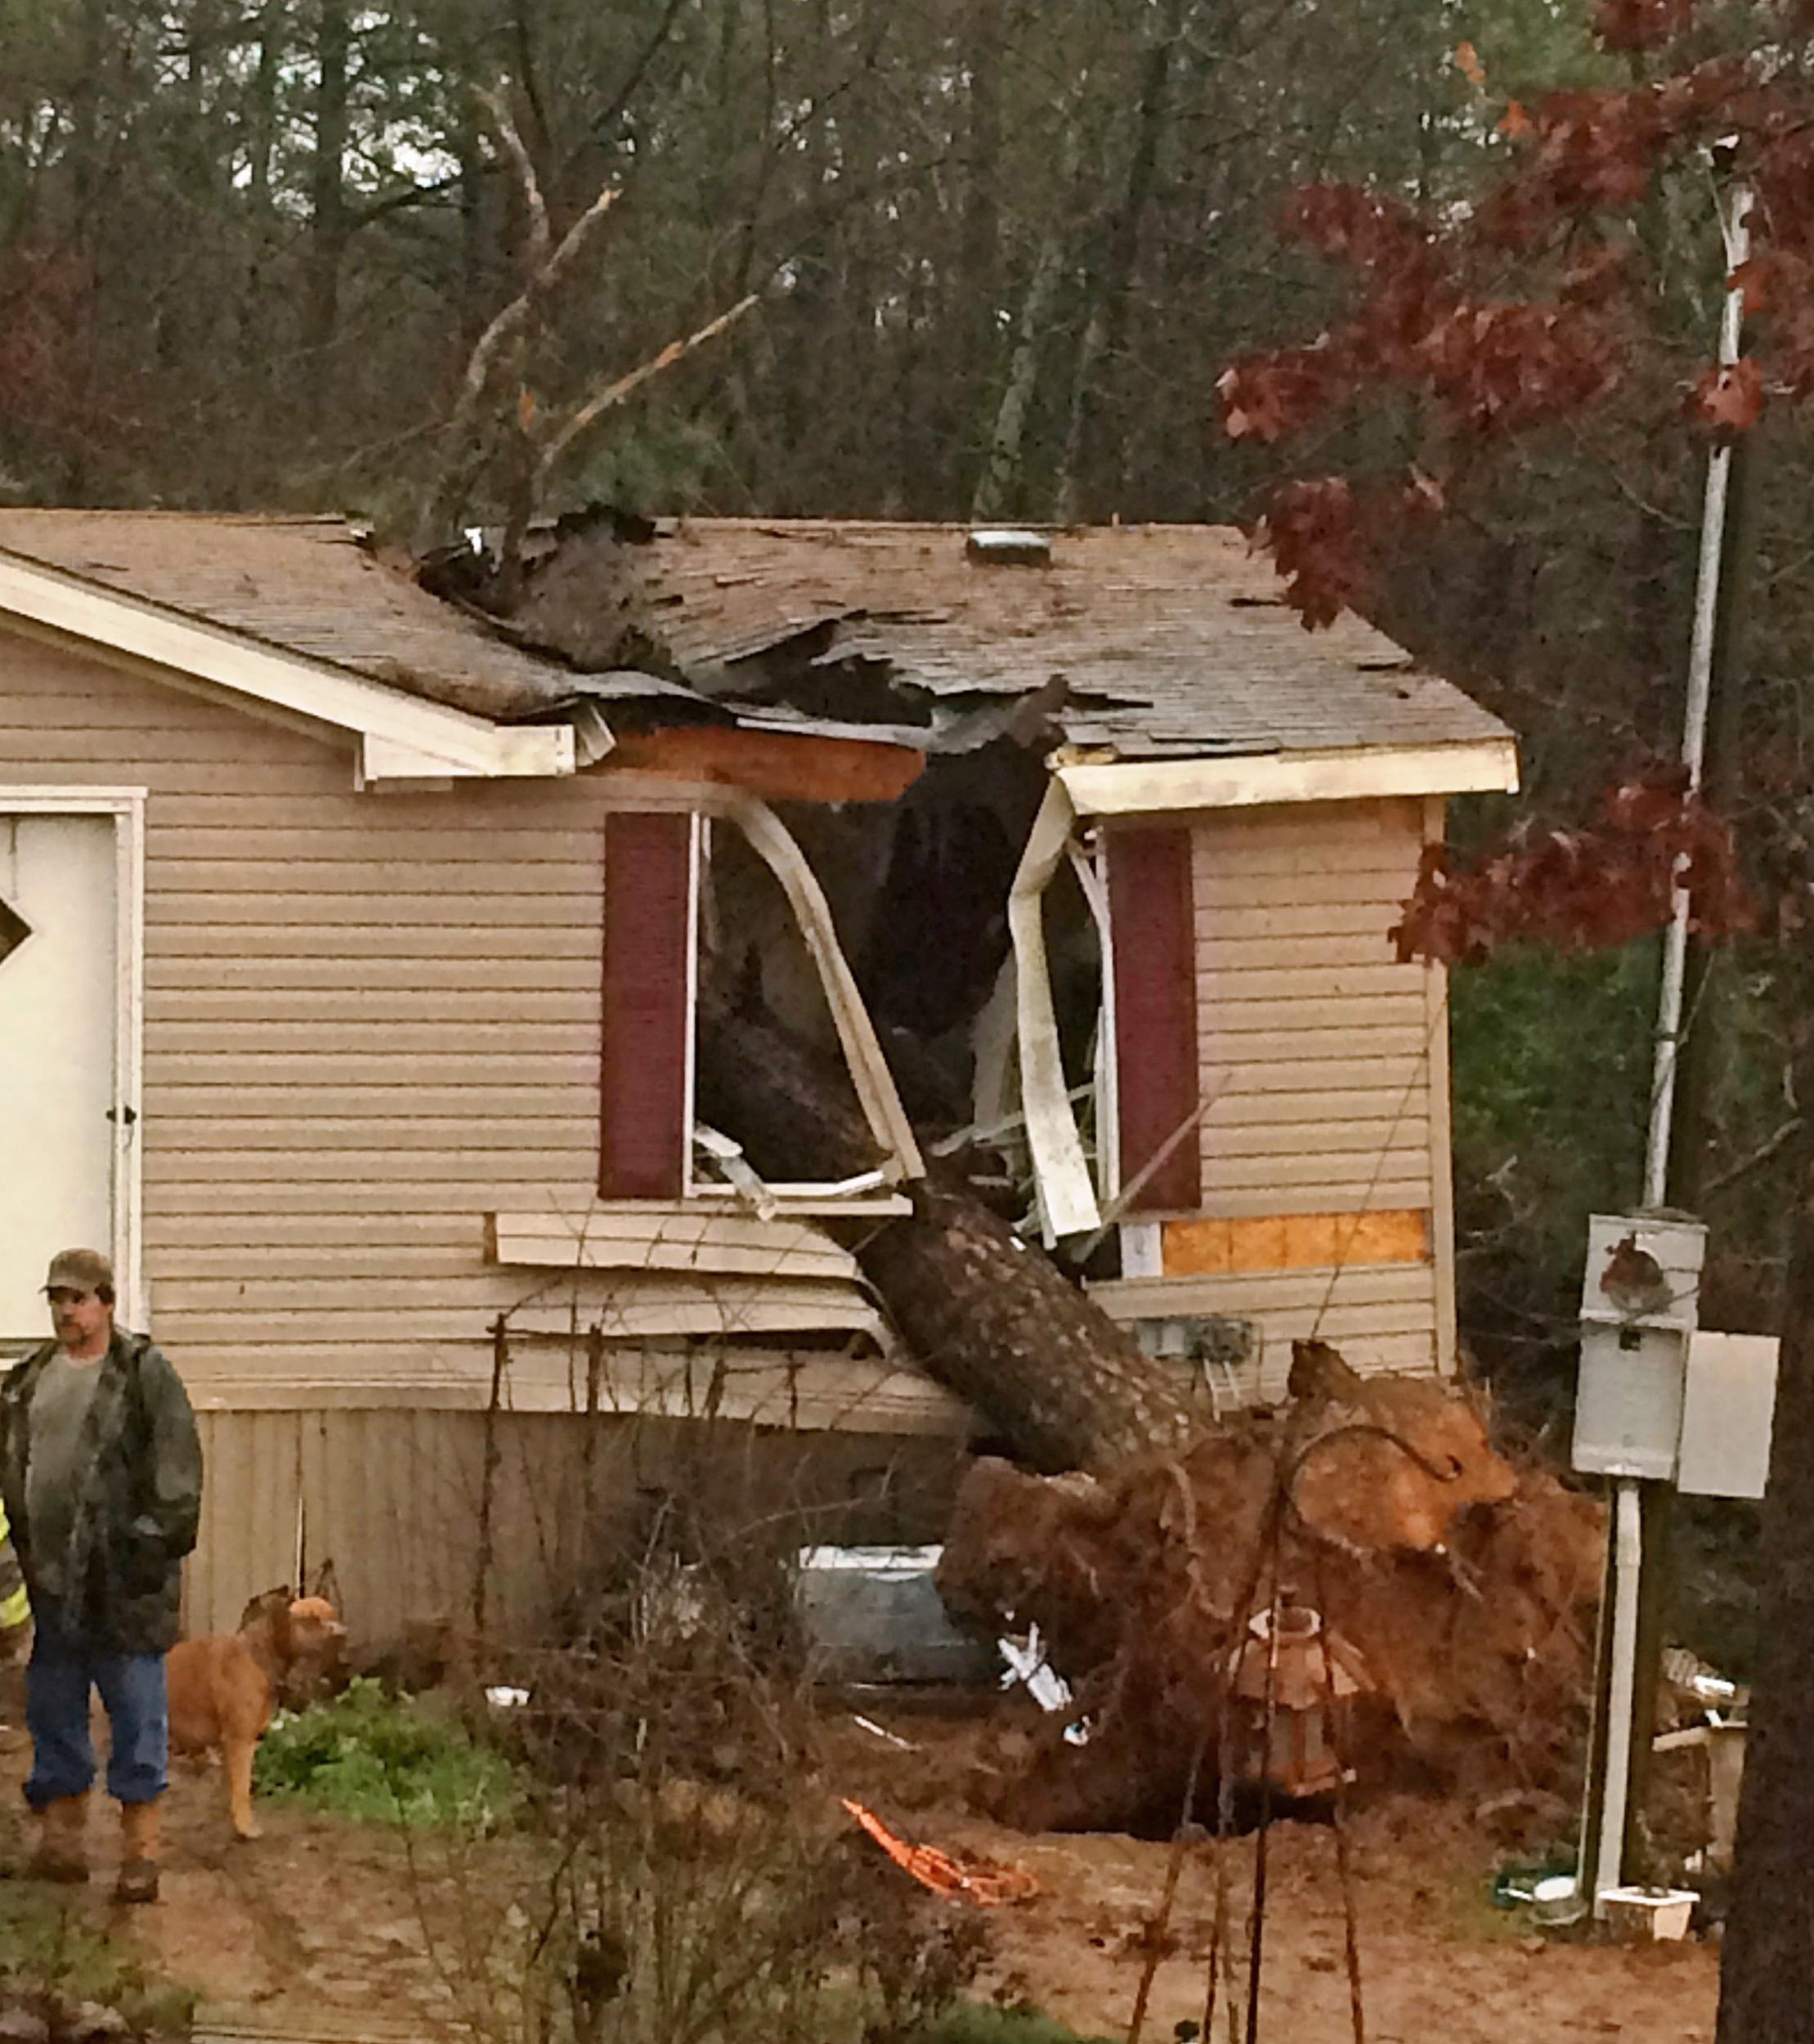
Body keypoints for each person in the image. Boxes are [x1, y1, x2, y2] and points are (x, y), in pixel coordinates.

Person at [0, 1249, 202, 1903]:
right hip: (51, 1584)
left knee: (136, 1717)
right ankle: (62, 1847)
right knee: (55, 1713)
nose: (65, 1310)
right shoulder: (29, 1379)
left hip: (122, 1588)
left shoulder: (144, 1375)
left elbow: (177, 1483)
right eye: (56, 1297)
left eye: (78, 1298)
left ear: (107, 1303)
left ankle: (140, 1853)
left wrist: (142, 1554)